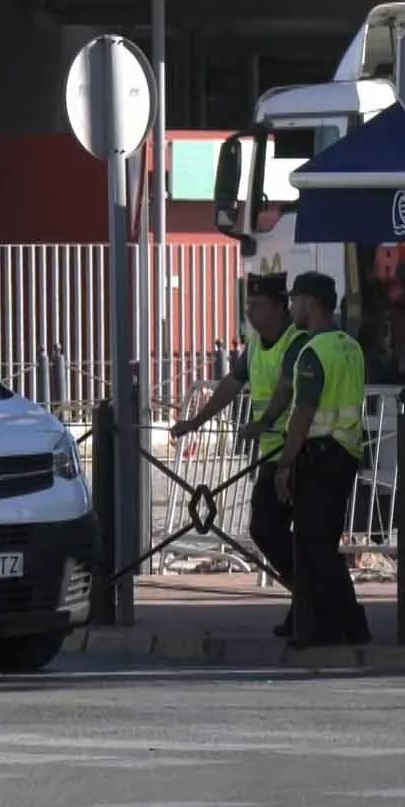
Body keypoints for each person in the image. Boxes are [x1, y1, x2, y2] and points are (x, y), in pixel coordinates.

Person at [170, 273, 307, 637]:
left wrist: (262, 423)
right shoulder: (257, 343)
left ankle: (312, 602)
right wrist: (195, 421)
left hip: (300, 451)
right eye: (248, 305)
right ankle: (308, 596)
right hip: (272, 454)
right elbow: (233, 383)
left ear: (280, 306)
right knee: (264, 529)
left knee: (301, 535)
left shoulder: (297, 342)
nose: (249, 312)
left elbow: (286, 389)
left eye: (257, 305)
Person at [276, 270, 371, 648]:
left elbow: (302, 414)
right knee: (323, 544)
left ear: (311, 304)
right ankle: (343, 625)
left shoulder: (311, 352)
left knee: (315, 546)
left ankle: (335, 626)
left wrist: (285, 464)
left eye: (295, 300)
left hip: (319, 456)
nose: (292, 307)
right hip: (346, 454)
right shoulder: (351, 346)